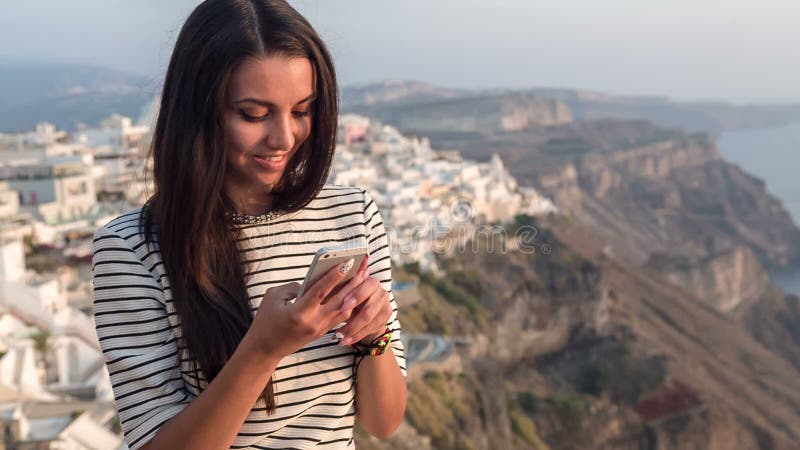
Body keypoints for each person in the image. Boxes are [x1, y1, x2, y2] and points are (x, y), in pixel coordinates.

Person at [90, 1, 407, 448]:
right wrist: (262, 349)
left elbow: (382, 421)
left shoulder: (351, 213)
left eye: (302, 110)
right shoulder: (132, 250)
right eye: (255, 115)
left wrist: (375, 336)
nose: (284, 137)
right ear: (200, 111)